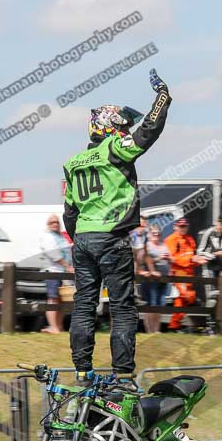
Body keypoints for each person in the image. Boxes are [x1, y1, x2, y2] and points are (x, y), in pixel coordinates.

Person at [63, 68, 171, 386]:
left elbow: (69, 211)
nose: (127, 131)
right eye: (123, 126)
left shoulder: (72, 163)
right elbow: (148, 132)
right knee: (122, 306)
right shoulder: (114, 149)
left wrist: (82, 236)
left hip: (82, 237)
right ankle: (123, 375)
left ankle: (82, 371)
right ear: (109, 128)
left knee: (84, 303)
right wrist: (163, 99)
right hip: (111, 237)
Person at [39, 214, 73, 334]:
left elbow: (68, 252)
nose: (55, 224)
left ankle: (58, 326)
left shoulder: (60, 237)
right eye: (52, 222)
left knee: (61, 301)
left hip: (62, 273)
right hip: (53, 272)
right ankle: (53, 326)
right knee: (53, 300)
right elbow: (55, 255)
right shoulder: (47, 237)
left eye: (57, 222)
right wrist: (67, 266)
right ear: (48, 225)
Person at [164, 217, 197, 332]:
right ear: (175, 226)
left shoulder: (190, 239)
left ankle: (175, 326)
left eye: (185, 226)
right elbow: (172, 258)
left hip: (189, 274)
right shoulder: (170, 239)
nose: (183, 229)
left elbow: (193, 256)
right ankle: (174, 326)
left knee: (187, 299)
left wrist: (198, 260)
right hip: (178, 273)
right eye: (181, 226)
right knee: (185, 296)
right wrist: (190, 260)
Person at [141, 224, 171, 333]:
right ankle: (150, 330)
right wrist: (159, 257)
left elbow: (170, 258)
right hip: (151, 279)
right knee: (151, 304)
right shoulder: (147, 246)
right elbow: (145, 261)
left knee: (160, 304)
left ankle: (156, 329)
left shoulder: (163, 245)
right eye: (154, 233)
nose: (156, 235)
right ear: (149, 234)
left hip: (163, 279)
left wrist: (169, 259)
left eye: (158, 233)